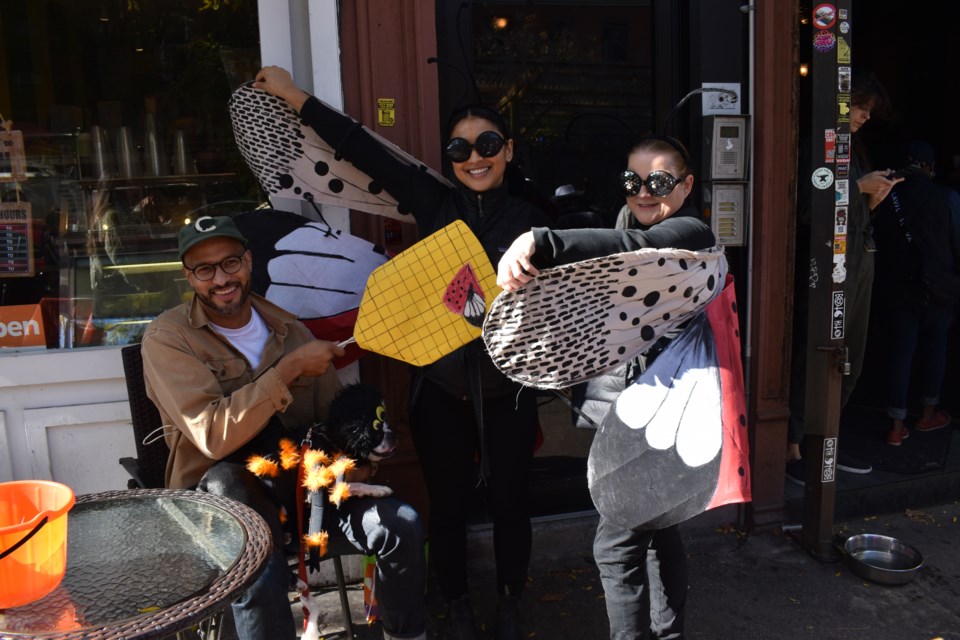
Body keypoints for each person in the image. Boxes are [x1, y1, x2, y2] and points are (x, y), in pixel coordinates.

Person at [253, 66, 553, 640]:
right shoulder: (434, 203)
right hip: (440, 390)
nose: (474, 157)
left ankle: (512, 601)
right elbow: (365, 151)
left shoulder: (534, 220)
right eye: (460, 148)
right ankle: (458, 601)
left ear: (508, 150)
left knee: (514, 502)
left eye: (487, 144)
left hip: (508, 390)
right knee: (449, 504)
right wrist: (294, 97)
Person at [140, 215, 426, 640]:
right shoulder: (169, 338)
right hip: (223, 506)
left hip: (307, 490)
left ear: (249, 261)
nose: (221, 278)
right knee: (249, 541)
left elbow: (333, 420)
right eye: (205, 269)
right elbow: (213, 435)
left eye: (230, 263)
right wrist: (288, 370)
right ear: (189, 276)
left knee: (402, 522)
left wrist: (360, 456)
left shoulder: (291, 328)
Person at [498, 136, 715, 640]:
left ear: (685, 186)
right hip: (624, 414)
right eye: (632, 180)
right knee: (658, 530)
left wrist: (542, 239)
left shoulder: (693, 234)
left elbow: (636, 252)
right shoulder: (617, 228)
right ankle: (669, 632)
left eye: (658, 182)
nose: (643, 191)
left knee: (615, 547)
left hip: (667, 417)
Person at [786, 71, 903, 484]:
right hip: (829, 267)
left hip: (857, 258)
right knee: (817, 351)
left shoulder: (852, 149)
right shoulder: (818, 146)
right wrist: (857, 187)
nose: (865, 116)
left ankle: (824, 440)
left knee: (848, 358)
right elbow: (806, 209)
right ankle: (794, 447)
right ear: (840, 103)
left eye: (869, 110)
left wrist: (872, 196)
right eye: (860, 106)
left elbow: (843, 215)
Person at [872, 140, 960, 445]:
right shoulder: (947, 197)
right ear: (929, 166)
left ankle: (896, 426)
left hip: (898, 288)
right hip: (940, 288)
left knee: (901, 351)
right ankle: (927, 414)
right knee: (936, 348)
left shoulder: (884, 193)